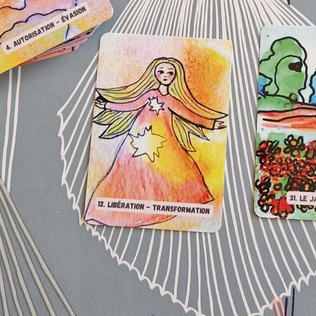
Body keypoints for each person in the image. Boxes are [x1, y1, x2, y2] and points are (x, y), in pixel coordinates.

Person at [85, 57, 226, 227]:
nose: (165, 75)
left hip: (165, 143)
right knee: (131, 173)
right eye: (161, 71)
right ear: (154, 74)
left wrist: (211, 124)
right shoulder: (150, 94)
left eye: (170, 72)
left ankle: (167, 203)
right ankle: (117, 210)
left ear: (175, 76)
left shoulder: (172, 100)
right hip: (140, 139)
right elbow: (130, 105)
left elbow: (188, 115)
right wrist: (106, 105)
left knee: (176, 171)